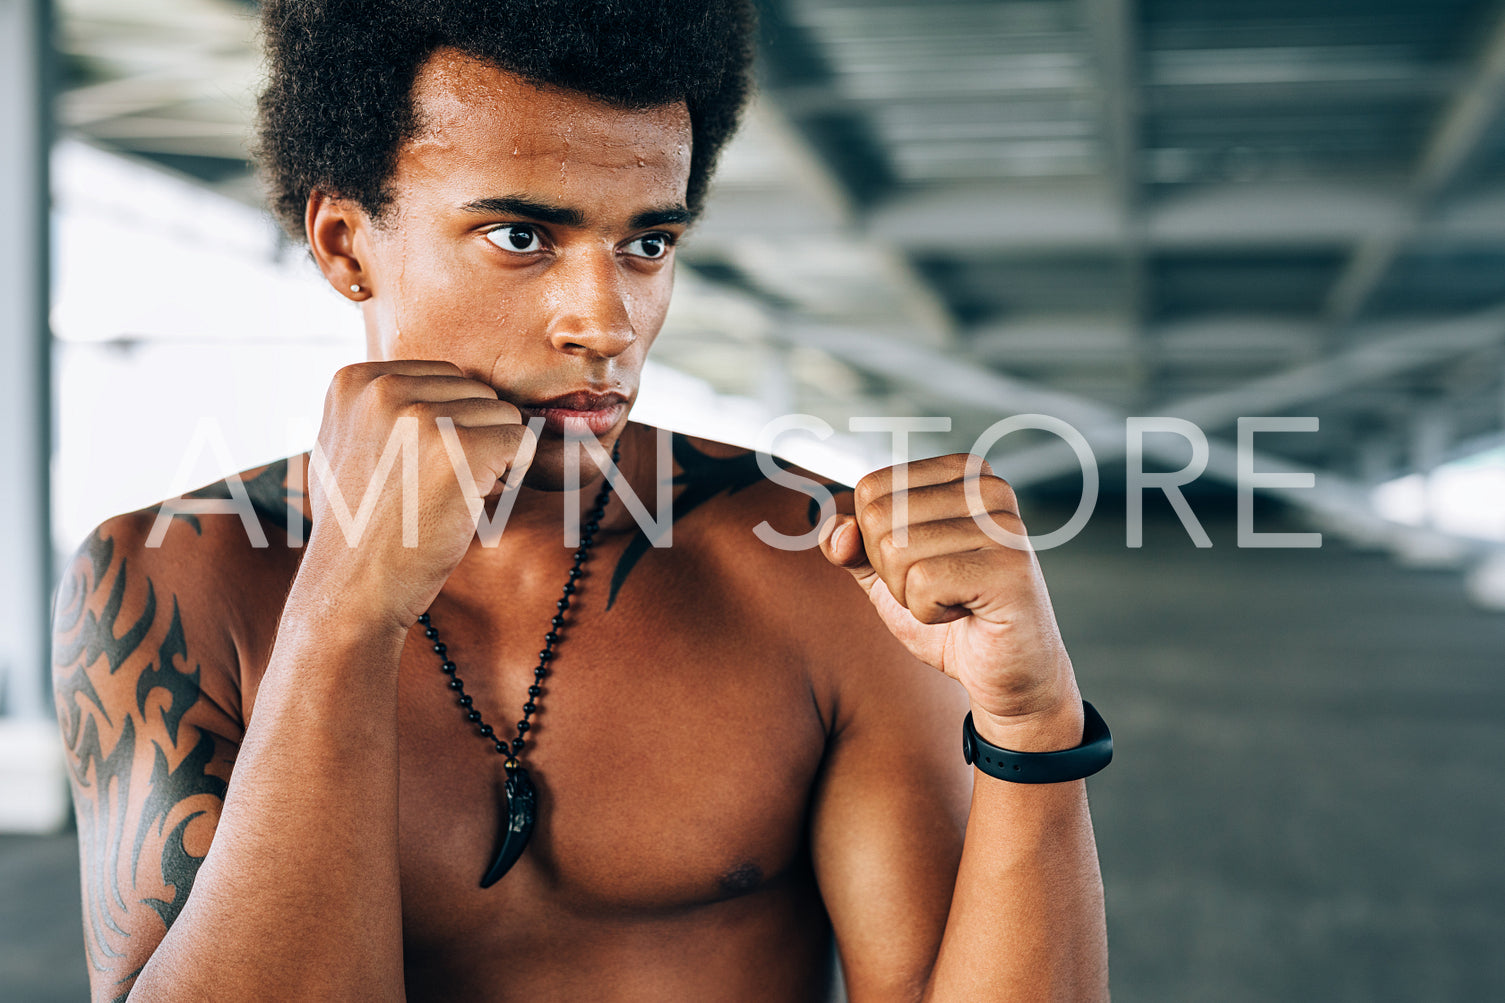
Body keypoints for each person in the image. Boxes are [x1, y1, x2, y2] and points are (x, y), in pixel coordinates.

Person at [51, 1, 1109, 999]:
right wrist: (344, 613)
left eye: (646, 243)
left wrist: (1032, 723)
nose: (604, 322)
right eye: (521, 236)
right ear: (344, 243)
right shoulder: (171, 578)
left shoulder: (818, 564)